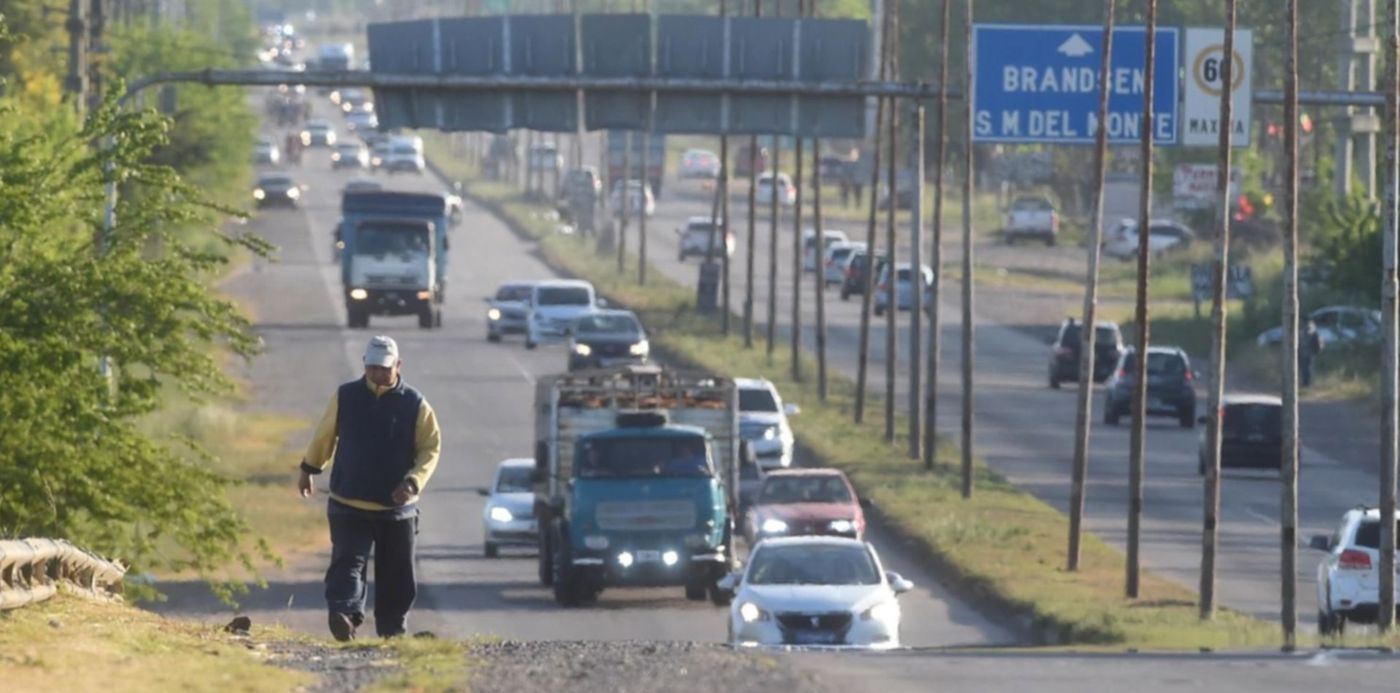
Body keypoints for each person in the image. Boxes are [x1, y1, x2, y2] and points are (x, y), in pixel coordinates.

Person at [298, 336, 442, 641]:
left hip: (397, 509)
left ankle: (392, 629)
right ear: (365, 365)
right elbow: (325, 435)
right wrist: (309, 468)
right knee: (348, 562)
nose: (377, 374)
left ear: (398, 366)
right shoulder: (346, 396)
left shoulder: (415, 404)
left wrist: (413, 481)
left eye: (384, 369)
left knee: (397, 573)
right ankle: (344, 616)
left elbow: (430, 449)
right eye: (372, 368)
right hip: (348, 501)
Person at [1300, 319, 1323, 388]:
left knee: (1307, 368)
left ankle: (1307, 383)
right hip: (1307, 353)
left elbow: (1318, 344)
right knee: (1306, 368)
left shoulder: (1310, 331)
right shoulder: (1311, 330)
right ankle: (1306, 383)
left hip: (1309, 352)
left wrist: (1317, 351)